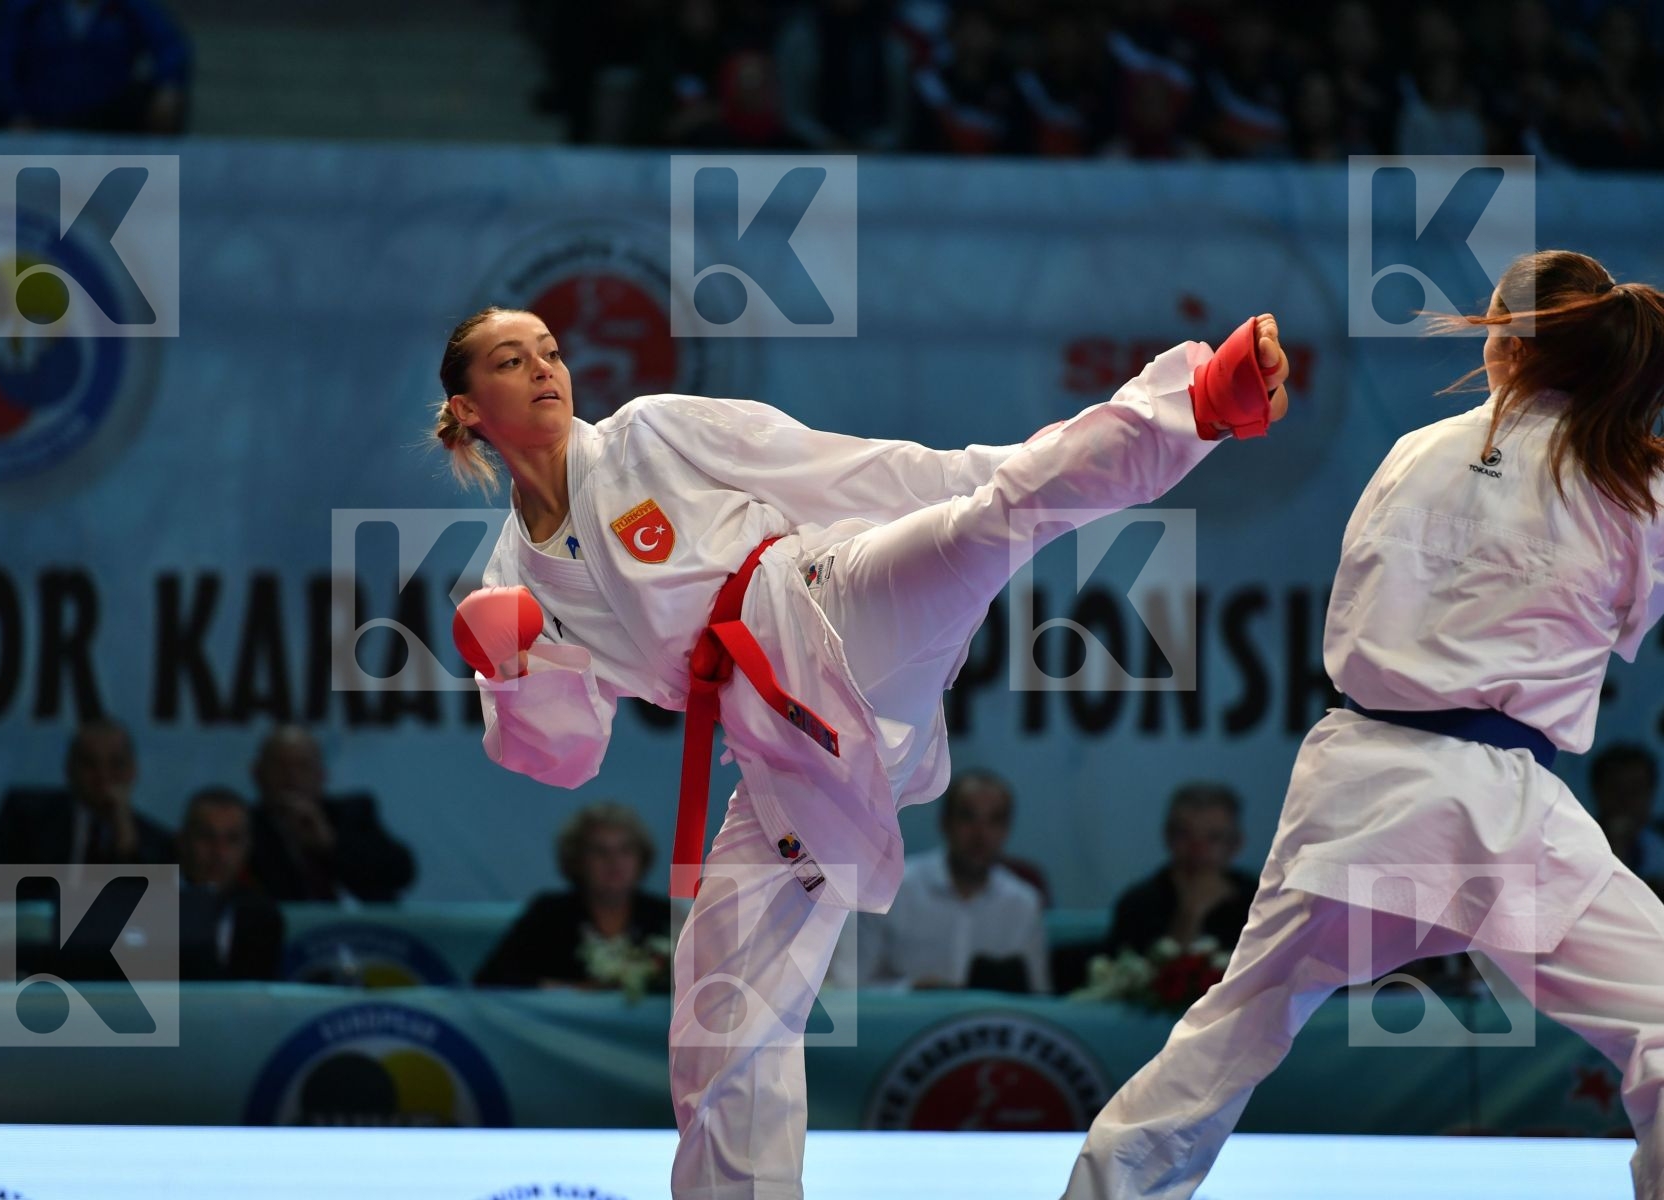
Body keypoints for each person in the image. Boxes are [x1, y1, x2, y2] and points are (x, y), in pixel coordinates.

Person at [435, 299, 1290, 1198]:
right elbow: (564, 757)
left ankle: (1196, 402)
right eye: (509, 360)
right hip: (779, 753)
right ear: (464, 410)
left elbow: (847, 469)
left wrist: (975, 473)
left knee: (989, 518)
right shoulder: (513, 580)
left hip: (821, 606)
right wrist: (512, 669)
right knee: (722, 1007)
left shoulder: (650, 435)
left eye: (550, 351)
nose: (544, 369)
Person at [1065, 249, 1664, 1199]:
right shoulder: (1630, 487)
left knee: (1233, 1032)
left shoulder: (1412, 453)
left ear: (1503, 344)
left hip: (1358, 786)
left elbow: (1356, 613)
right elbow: (1624, 630)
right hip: (1498, 813)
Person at [857, 768, 1050, 992]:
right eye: (968, 817)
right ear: (945, 823)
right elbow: (849, 990)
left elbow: (1038, 1000)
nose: (981, 835)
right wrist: (909, 991)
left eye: (994, 821)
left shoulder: (1024, 904)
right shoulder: (890, 889)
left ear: (1007, 830)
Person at [0, 719, 175, 902]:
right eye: (90, 764)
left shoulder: (155, 842)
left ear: (133, 770)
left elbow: (160, 921)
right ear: (69, 768)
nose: (103, 776)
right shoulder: (26, 818)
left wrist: (127, 847)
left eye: (116, 764)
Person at [474, 801, 673, 991]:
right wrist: (574, 992)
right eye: (599, 851)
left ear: (642, 858)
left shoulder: (665, 915)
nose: (614, 861)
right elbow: (491, 979)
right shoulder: (549, 913)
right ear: (576, 860)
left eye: (626, 850)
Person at [246, 726, 417, 904]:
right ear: (258, 773)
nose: (292, 776)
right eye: (280, 766)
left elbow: (401, 872)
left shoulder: (353, 813)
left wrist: (331, 844)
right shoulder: (242, 828)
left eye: (303, 766)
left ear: (322, 774)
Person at [0, 0, 189, 133]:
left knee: (152, 98)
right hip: (40, 115)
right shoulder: (29, 8)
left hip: (105, 118)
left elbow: (170, 45)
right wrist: (14, 112)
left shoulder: (128, 7)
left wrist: (169, 84)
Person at [1106, 782, 1257, 956]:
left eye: (1214, 838)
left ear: (1235, 844)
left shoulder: (1262, 902)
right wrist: (1190, 916)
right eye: (1184, 834)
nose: (1198, 849)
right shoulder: (1138, 905)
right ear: (1167, 837)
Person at [177, 786, 284, 982]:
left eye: (232, 840)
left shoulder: (263, 916)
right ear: (183, 840)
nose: (219, 853)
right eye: (206, 837)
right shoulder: (148, 904)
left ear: (247, 847)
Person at [1591, 744, 1664, 889]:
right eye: (1615, 788)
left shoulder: (1660, 838)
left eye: (1635, 789)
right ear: (1598, 791)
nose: (1624, 799)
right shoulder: (1573, 841)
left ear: (1650, 793)